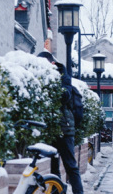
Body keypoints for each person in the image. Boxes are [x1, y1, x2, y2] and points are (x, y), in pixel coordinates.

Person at [37, 51, 84, 194]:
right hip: (49, 126)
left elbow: (65, 95)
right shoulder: (40, 74)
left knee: (70, 165)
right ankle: (57, 191)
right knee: (52, 166)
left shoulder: (63, 76)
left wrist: (54, 83)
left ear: (51, 63)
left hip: (64, 127)